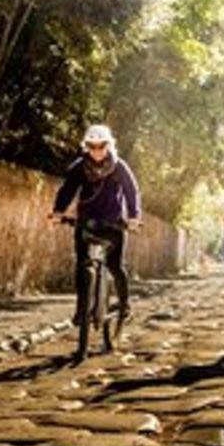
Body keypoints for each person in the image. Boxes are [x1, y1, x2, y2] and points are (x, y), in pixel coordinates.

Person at [50, 124, 142, 323]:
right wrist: (58, 211)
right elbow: (67, 189)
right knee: (82, 265)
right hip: (87, 221)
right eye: (92, 146)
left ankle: (124, 304)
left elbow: (131, 191)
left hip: (113, 223)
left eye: (101, 146)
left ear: (108, 146)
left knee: (115, 266)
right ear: (87, 147)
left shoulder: (119, 167)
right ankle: (81, 310)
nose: (97, 151)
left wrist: (133, 216)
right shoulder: (79, 167)